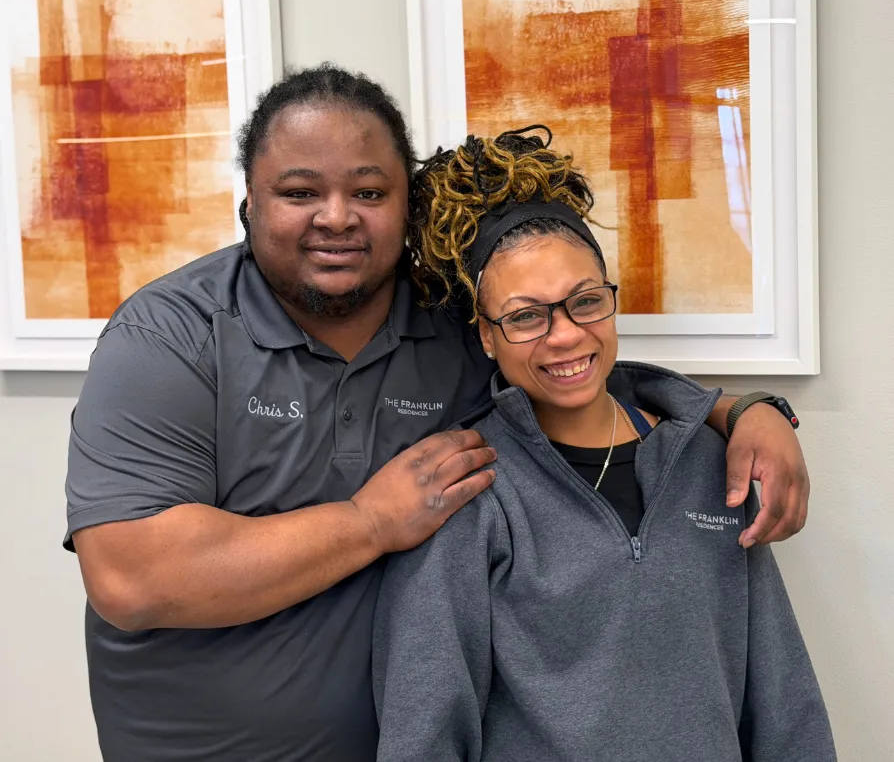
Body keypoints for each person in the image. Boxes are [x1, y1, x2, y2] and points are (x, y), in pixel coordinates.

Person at [64, 65, 810, 762]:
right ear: (248, 203)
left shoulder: (452, 329)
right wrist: (370, 522)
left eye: (369, 191)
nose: (336, 217)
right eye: (299, 192)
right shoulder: (169, 337)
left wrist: (740, 411)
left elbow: (567, 360)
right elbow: (133, 580)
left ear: (405, 204)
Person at [372, 127, 835, 761]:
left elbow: (784, 705)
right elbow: (423, 734)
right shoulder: (468, 491)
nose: (564, 336)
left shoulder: (710, 467)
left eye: (585, 302)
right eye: (527, 316)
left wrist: (749, 410)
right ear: (486, 335)